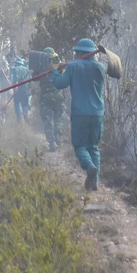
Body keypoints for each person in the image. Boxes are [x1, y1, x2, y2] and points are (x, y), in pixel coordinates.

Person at [52, 38, 107, 191]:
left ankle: (89, 167)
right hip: (97, 114)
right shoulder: (100, 68)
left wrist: (55, 69)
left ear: (79, 52)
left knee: (80, 146)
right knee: (93, 147)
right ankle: (94, 183)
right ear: (92, 53)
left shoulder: (73, 66)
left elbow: (60, 83)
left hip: (80, 114)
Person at [36, 47, 65, 152]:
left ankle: (52, 143)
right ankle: (58, 136)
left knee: (47, 120)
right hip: (58, 97)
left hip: (45, 98)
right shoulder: (58, 65)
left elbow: (34, 78)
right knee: (58, 118)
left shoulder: (40, 66)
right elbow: (64, 75)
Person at [9, 56, 31, 124]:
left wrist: (14, 87)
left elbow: (14, 79)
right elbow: (30, 80)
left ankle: (19, 120)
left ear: (16, 63)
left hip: (18, 89)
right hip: (26, 89)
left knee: (16, 104)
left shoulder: (15, 69)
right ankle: (25, 114)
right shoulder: (27, 69)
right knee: (24, 104)